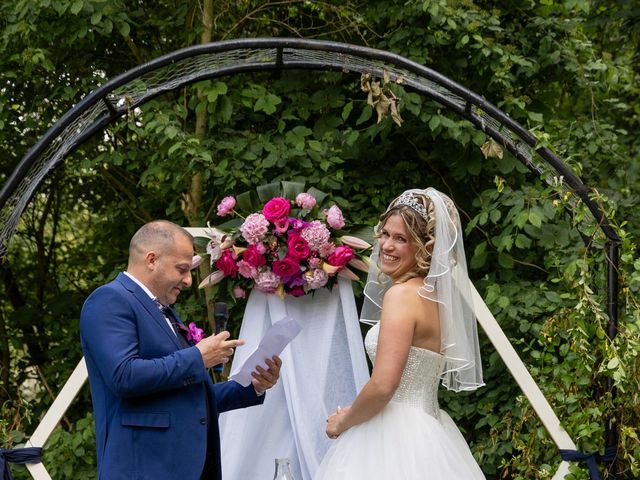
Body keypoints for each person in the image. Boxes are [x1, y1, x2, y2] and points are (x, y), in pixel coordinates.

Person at [80, 220, 282, 480]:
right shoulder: (110, 300)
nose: (188, 280)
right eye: (182, 269)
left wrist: (253, 385)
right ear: (152, 259)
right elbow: (123, 376)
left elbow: (188, 399)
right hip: (142, 468)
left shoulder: (163, 311)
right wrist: (197, 356)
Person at [314, 188, 486, 479]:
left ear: (425, 247)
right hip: (430, 431)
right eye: (385, 234)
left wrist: (343, 422)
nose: (387, 245)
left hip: (394, 435)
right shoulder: (436, 300)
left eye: (401, 239)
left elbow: (383, 386)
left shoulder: (402, 296)